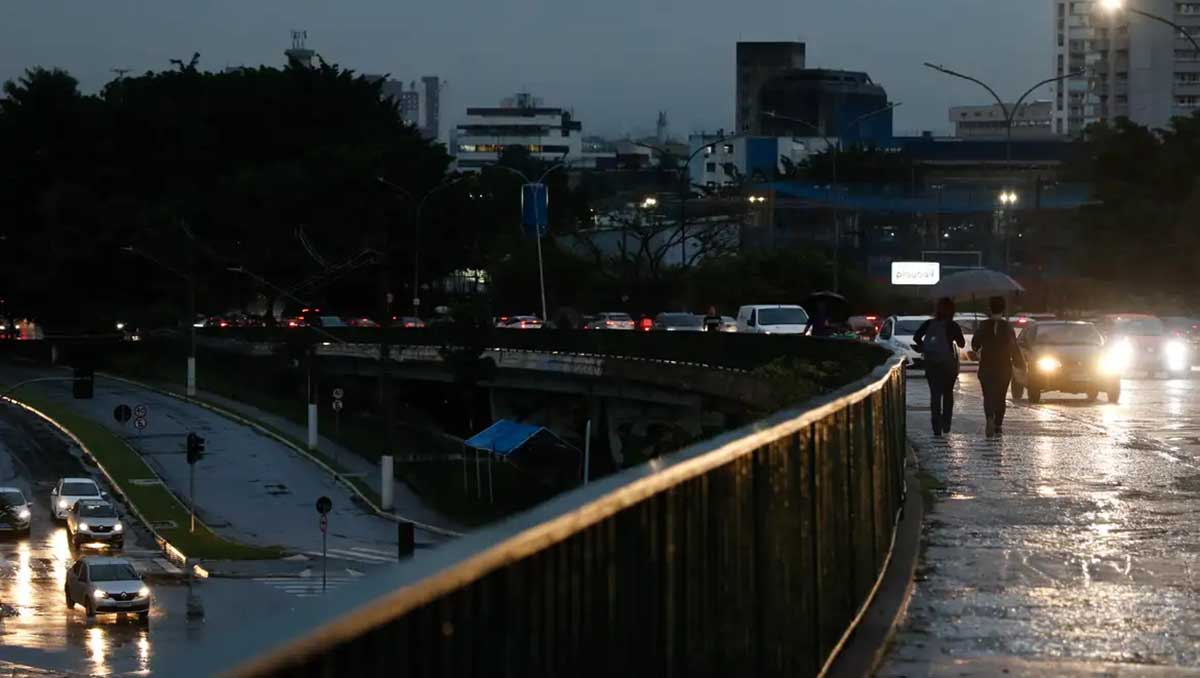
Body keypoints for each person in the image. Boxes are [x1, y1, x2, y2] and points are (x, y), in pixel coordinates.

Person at [972, 296, 1025, 437]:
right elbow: (1014, 347)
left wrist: (978, 341)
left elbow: (975, 344)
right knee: (1001, 397)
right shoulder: (1007, 327)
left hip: (986, 366)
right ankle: (998, 425)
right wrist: (1020, 363)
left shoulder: (983, 325)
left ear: (990, 308)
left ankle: (989, 417)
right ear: (1003, 309)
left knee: (988, 395)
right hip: (1003, 367)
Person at [912, 298, 966, 436]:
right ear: (952, 311)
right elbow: (961, 344)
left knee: (935, 395)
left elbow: (916, 337)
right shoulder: (953, 326)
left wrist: (925, 346)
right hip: (948, 365)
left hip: (931, 363)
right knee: (948, 394)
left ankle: (936, 427)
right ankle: (946, 424)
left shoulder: (929, 323)